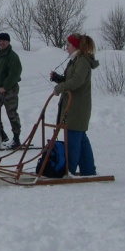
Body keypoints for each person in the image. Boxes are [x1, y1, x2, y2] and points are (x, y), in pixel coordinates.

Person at [50, 33, 99, 176]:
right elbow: (71, 79)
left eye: (69, 45)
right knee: (80, 138)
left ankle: (69, 170)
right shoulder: (76, 60)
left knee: (72, 137)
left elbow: (77, 82)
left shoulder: (82, 61)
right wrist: (59, 79)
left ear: (76, 46)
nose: (66, 47)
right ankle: (88, 170)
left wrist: (60, 88)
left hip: (77, 107)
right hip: (72, 106)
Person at [0, 32, 22, 148]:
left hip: (9, 89)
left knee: (11, 113)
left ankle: (16, 139)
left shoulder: (12, 57)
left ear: (8, 42)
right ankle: (2, 134)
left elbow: (15, 74)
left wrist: (5, 86)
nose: (1, 43)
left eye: (4, 41)